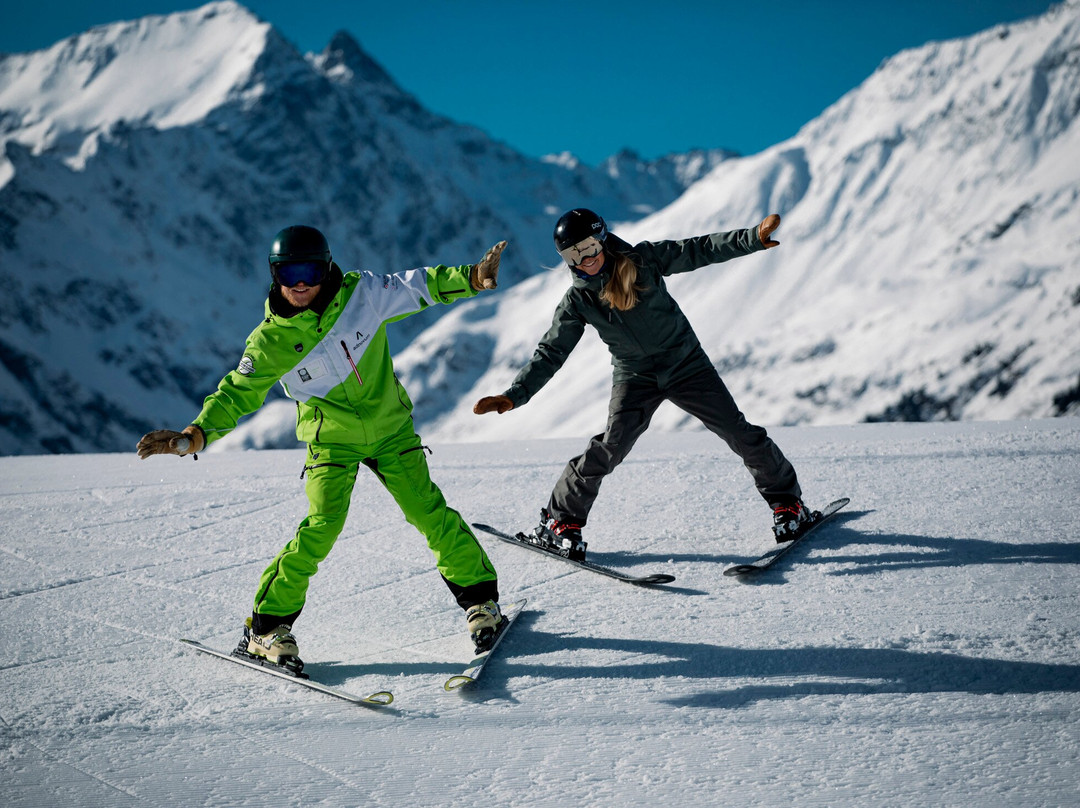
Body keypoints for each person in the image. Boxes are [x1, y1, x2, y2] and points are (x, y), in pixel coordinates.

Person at [137, 225, 507, 670]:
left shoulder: (362, 295)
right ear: (274, 276)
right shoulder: (270, 342)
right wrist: (196, 435)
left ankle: (482, 605)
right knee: (321, 527)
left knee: (428, 512)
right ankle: (266, 629)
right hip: (331, 442)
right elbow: (236, 393)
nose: (300, 284)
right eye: (288, 273)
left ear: (327, 267)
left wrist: (471, 277)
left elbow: (418, 286)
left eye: (310, 271)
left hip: (390, 430)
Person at [473, 208, 810, 561]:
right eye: (572, 255)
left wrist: (751, 238)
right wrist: (514, 395)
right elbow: (551, 352)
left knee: (738, 432)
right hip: (635, 376)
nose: (583, 260)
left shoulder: (644, 260)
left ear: (602, 239)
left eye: (588, 248)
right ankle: (560, 522)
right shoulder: (578, 301)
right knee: (609, 447)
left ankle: (788, 504)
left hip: (686, 364)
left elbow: (697, 249)